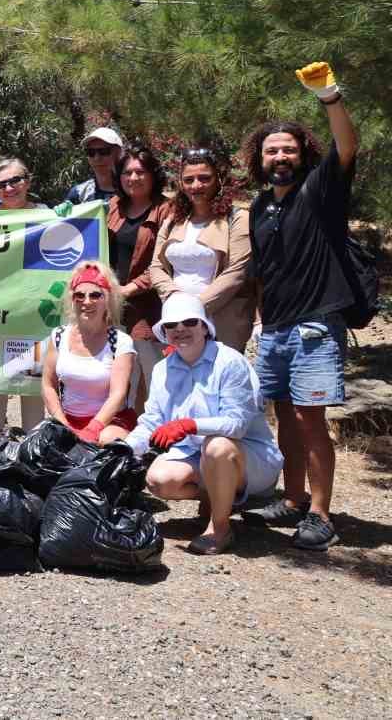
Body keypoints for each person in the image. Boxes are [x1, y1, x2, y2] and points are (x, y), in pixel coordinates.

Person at [239, 62, 359, 551]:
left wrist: (329, 97)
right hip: (276, 329)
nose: (280, 155)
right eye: (272, 150)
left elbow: (347, 147)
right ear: (260, 159)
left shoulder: (320, 190)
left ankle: (321, 513)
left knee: (311, 420)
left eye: (288, 148)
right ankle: (292, 499)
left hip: (314, 326)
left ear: (302, 153)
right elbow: (264, 271)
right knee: (283, 417)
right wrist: (262, 324)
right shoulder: (260, 206)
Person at [127, 293, 283, 556]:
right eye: (171, 325)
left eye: (189, 322)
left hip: (249, 457)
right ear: (164, 332)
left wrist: (190, 425)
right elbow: (151, 422)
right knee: (158, 480)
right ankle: (216, 500)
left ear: (204, 327)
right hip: (197, 454)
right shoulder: (163, 369)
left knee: (217, 446)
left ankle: (220, 529)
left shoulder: (229, 362)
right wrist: (123, 448)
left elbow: (237, 425)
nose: (180, 330)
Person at [148, 148, 255, 353]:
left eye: (204, 178)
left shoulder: (238, 219)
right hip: (177, 322)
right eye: (189, 180)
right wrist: (173, 299)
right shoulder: (173, 221)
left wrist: (193, 309)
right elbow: (156, 267)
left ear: (219, 179)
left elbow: (236, 273)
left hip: (222, 324)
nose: (196, 185)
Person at [37, 262, 138, 443]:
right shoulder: (59, 335)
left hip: (110, 422)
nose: (86, 301)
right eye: (79, 295)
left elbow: (118, 394)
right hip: (68, 419)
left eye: (95, 295)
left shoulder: (120, 342)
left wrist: (93, 429)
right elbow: (48, 385)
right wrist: (63, 425)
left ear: (107, 299)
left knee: (106, 440)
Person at [108, 143, 175, 413]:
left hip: (148, 310)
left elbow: (164, 261)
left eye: (140, 172)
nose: (133, 178)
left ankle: (154, 441)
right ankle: (124, 437)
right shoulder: (114, 206)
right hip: (114, 308)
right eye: (127, 172)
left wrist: (129, 289)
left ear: (152, 175)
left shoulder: (167, 210)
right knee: (122, 375)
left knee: (153, 376)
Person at [0, 157, 46, 432]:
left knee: (32, 379)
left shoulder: (47, 214)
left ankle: (34, 442)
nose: (9, 188)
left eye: (15, 180)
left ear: (27, 181)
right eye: (1, 184)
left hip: (33, 312)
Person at [64, 126, 124, 205]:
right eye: (91, 152)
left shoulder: (132, 190)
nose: (97, 158)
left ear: (118, 153)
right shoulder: (79, 194)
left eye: (104, 151)